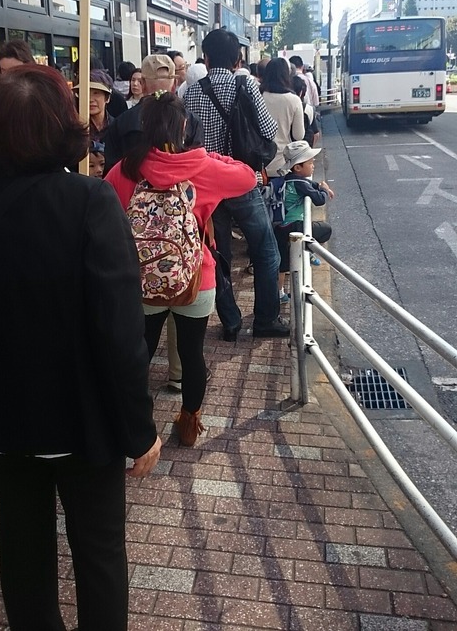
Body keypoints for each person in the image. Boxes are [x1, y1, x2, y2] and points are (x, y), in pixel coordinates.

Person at [0, 64, 161, 631]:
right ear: (64, 125)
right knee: (99, 553)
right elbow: (119, 333)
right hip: (84, 425)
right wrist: (139, 430)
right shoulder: (89, 202)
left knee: (21, 547)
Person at [105, 91, 256, 445]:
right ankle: (189, 426)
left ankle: (132, 423)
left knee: (139, 351)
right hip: (195, 278)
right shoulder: (203, 168)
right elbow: (248, 176)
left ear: (143, 127)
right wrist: (205, 155)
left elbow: (106, 212)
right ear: (185, 125)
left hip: (141, 280)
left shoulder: (124, 169)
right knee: (192, 353)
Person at [184, 28, 289, 340]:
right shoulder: (244, 84)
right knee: (266, 250)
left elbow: (186, 140)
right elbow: (268, 129)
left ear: (205, 57)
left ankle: (230, 322)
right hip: (241, 179)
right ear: (238, 58)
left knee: (219, 256)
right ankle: (266, 319)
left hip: (206, 182)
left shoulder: (191, 91)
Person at [104, 54, 203, 173]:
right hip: (183, 188)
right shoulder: (191, 120)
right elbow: (197, 164)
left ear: (143, 84)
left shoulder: (122, 122)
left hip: (129, 189)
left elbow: (111, 169)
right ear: (175, 84)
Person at [274, 140, 334, 296]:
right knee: (325, 230)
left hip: (280, 226)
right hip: (294, 226)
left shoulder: (289, 179)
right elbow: (319, 200)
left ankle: (279, 293)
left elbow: (310, 185)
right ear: (298, 167)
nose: (313, 165)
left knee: (283, 262)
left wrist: (318, 186)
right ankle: (309, 253)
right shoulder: (300, 183)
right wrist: (324, 190)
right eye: (310, 163)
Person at [260, 57, 305, 177]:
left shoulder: (258, 96)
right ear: (287, 75)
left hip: (260, 166)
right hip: (283, 165)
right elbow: (298, 135)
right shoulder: (294, 100)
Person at [73, 71, 115, 143]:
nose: (90, 99)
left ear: (107, 98)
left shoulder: (117, 126)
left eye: (96, 93)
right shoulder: (75, 128)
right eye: (86, 93)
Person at [292, 74, 320, 147]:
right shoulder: (308, 109)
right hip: (304, 149)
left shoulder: (283, 105)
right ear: (301, 92)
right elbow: (316, 134)